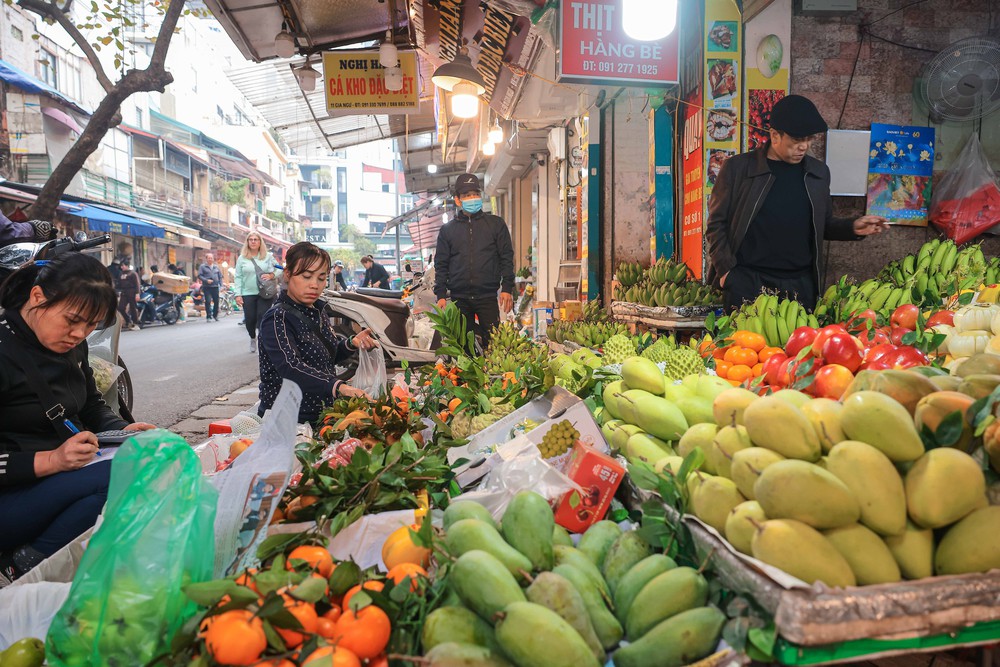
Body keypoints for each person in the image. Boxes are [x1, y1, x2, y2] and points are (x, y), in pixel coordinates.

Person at [0, 252, 155, 584]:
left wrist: (124, 429)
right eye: (72, 320)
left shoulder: (74, 347)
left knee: (149, 457)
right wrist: (51, 460)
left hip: (58, 483)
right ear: (37, 297)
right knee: (122, 473)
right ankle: (24, 564)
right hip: (12, 495)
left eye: (90, 325)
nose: (79, 333)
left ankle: (37, 554)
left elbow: (91, 407)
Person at [707, 95, 888, 313]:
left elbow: (823, 224)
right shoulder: (738, 169)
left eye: (808, 140)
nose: (803, 147)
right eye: (796, 141)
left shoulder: (818, 173)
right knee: (744, 347)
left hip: (800, 285)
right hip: (748, 282)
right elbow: (716, 225)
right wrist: (727, 273)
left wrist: (853, 227)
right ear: (775, 135)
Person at [258, 242, 377, 425]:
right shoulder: (277, 318)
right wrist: (339, 387)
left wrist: (350, 343)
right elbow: (291, 367)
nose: (314, 285)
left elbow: (322, 358)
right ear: (288, 274)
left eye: (321, 278)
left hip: (322, 415)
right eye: (306, 276)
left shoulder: (317, 311)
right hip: (289, 422)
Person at [434, 173, 515, 348]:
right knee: (464, 347)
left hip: (487, 297)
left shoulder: (496, 224)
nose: (472, 198)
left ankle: (492, 375)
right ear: (457, 200)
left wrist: (507, 287)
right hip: (459, 299)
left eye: (475, 194)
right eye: (466, 195)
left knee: (494, 346)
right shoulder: (447, 231)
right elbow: (441, 264)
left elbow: (506, 257)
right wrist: (440, 294)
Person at [235, 232, 281, 353]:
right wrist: (238, 294)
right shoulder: (242, 258)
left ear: (260, 242)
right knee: (250, 319)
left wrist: (272, 275)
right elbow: (238, 277)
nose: (253, 241)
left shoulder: (268, 256)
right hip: (247, 293)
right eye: (251, 239)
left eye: (256, 239)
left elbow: (280, 269)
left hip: (265, 293)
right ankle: (252, 337)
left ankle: (262, 341)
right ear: (247, 242)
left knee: (262, 316)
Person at [198, 252, 223, 322]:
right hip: (207, 287)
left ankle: (215, 315)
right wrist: (206, 280)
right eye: (209, 258)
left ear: (213, 259)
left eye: (211, 258)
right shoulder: (203, 267)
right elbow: (199, 275)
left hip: (215, 287)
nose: (210, 259)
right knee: (208, 301)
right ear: (206, 259)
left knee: (216, 301)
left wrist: (221, 285)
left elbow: (220, 276)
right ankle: (208, 316)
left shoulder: (216, 267)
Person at [116, 263, 141, 330]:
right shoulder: (121, 274)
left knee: (133, 308)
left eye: (123, 265)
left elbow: (137, 284)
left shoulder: (132, 273)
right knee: (120, 307)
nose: (122, 267)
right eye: (121, 266)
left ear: (127, 265)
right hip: (124, 293)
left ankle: (135, 323)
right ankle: (128, 320)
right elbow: (118, 284)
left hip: (132, 292)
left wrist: (137, 293)